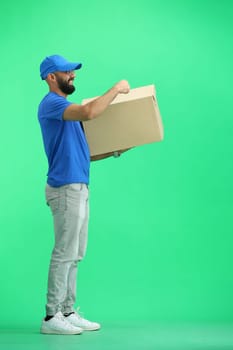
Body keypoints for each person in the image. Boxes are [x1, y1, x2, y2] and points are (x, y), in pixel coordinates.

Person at [38, 54, 130, 335]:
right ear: (51, 77)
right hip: (65, 188)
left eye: (73, 71)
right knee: (64, 253)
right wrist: (116, 89)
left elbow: (84, 153)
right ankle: (51, 316)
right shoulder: (52, 104)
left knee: (75, 254)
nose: (73, 75)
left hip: (78, 185)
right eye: (67, 71)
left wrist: (115, 150)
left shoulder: (66, 111)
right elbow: (90, 111)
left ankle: (67, 311)